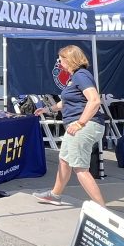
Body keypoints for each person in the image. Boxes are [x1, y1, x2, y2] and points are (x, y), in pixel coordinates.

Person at [32, 45, 106, 206]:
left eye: (61, 59)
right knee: (64, 160)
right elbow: (65, 102)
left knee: (80, 168)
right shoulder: (75, 78)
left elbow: (94, 100)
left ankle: (102, 209)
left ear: (70, 59)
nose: (59, 62)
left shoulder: (81, 76)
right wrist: (47, 109)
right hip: (80, 125)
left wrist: (80, 123)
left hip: (84, 125)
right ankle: (55, 195)